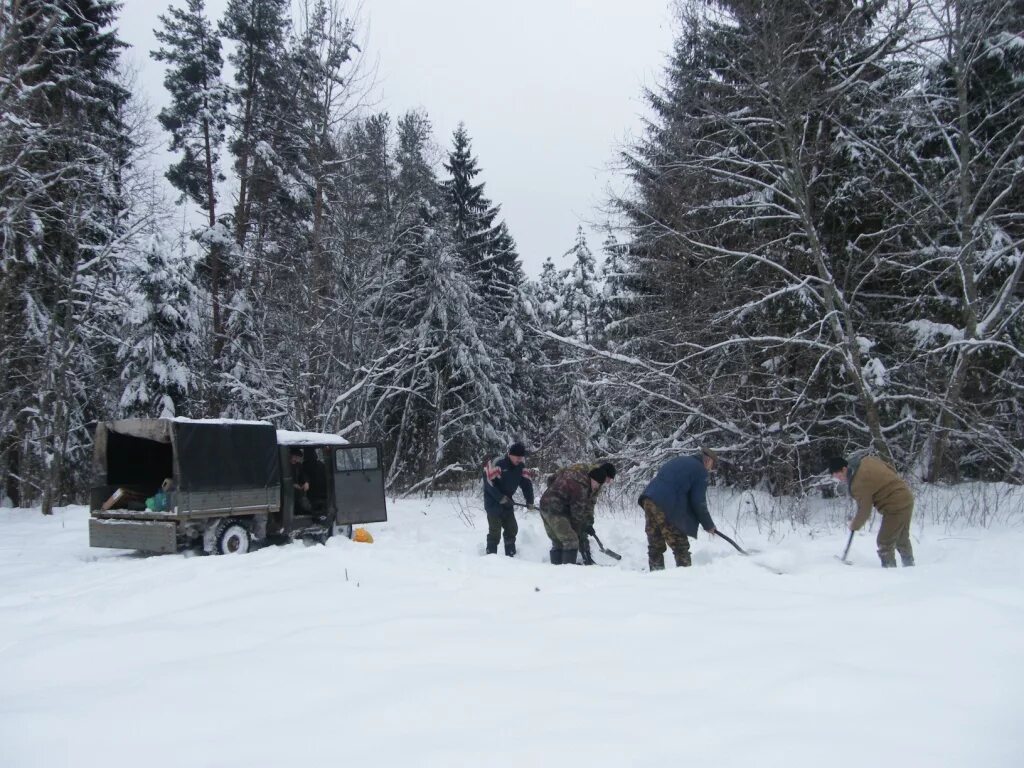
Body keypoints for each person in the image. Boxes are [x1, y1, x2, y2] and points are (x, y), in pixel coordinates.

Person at [827, 454, 915, 567]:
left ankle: (890, 570)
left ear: (844, 469)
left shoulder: (857, 483)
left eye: (838, 476)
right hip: (906, 496)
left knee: (884, 541)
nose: (840, 479)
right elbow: (890, 468)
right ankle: (909, 566)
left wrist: (855, 525)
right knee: (901, 537)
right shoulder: (867, 460)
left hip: (894, 506)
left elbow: (865, 509)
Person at [638, 447, 718, 570]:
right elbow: (698, 501)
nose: (710, 469)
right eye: (712, 465)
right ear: (708, 460)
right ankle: (684, 581)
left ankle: (655, 578)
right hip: (666, 505)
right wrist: (708, 525)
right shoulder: (700, 470)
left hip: (649, 499)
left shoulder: (681, 460)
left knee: (655, 544)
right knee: (680, 546)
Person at [539, 463, 614, 564]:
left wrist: (588, 524)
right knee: (571, 540)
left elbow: (588, 506)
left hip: (547, 505)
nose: (608, 482)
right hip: (557, 509)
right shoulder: (582, 484)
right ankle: (569, 571)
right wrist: (580, 532)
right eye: (608, 479)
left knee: (559, 541)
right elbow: (577, 515)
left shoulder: (587, 475)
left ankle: (557, 570)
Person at [482, 442, 535, 556]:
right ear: (510, 454)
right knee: (495, 531)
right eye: (517, 457)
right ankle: (491, 556)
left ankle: (510, 555)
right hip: (493, 501)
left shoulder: (521, 467)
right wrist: (500, 498)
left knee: (512, 529)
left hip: (507, 501)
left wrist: (530, 501)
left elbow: (527, 484)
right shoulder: (497, 463)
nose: (519, 459)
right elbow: (489, 484)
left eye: (521, 457)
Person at [304, 447, 329, 522]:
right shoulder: (321, 464)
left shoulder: (304, 466)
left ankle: (317, 518)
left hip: (312, 493)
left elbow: (303, 476)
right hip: (324, 492)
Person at [289, 447, 312, 514]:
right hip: (286, 491)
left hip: (298, 490)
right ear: (290, 455)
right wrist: (292, 484)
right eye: (295, 456)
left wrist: (306, 482)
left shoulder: (298, 465)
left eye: (298, 457)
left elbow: (304, 475)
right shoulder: (284, 465)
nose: (296, 459)